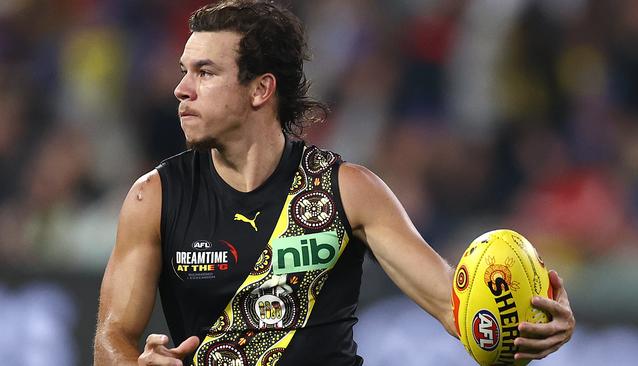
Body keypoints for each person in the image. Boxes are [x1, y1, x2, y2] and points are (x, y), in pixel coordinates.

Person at [93, 1, 575, 365]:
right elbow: (111, 340)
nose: (181, 89)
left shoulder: (348, 190)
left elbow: (456, 308)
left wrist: (529, 327)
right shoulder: (154, 196)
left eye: (205, 72)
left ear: (261, 89)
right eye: (184, 72)